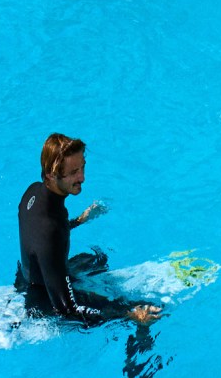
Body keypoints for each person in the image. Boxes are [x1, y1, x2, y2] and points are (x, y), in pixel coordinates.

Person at [17, 133, 161, 329]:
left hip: (31, 276)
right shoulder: (50, 232)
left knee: (94, 260)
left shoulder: (33, 192)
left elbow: (41, 233)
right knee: (140, 308)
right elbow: (66, 310)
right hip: (45, 302)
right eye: (74, 171)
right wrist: (127, 313)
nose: (82, 177)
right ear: (51, 174)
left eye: (83, 167)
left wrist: (80, 220)